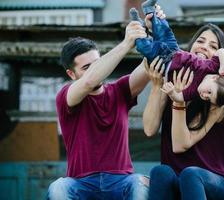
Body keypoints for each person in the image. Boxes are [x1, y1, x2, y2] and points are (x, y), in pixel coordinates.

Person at [46, 11, 165, 199]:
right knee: (58, 187)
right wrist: (127, 43)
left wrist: (154, 30)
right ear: (71, 74)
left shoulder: (120, 91)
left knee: (140, 183)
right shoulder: (66, 96)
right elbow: (88, 82)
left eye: (98, 63)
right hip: (80, 183)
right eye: (87, 67)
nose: (97, 70)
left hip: (121, 181)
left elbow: (150, 63)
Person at [143, 22, 224, 200]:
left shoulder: (217, 97)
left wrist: (179, 101)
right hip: (177, 176)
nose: (204, 47)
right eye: (200, 41)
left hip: (212, 180)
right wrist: (157, 86)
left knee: (191, 175)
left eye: (213, 46)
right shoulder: (172, 79)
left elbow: (180, 145)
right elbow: (149, 129)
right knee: (160, 172)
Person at [129, 0, 224, 102]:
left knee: (145, 48)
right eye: (209, 92)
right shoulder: (213, 67)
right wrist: (223, 65)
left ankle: (137, 26)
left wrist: (172, 92)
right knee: (165, 32)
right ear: (215, 78)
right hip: (175, 50)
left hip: (163, 63)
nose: (204, 96)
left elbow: (180, 98)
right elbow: (221, 51)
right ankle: (149, 8)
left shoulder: (194, 91)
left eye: (208, 99)